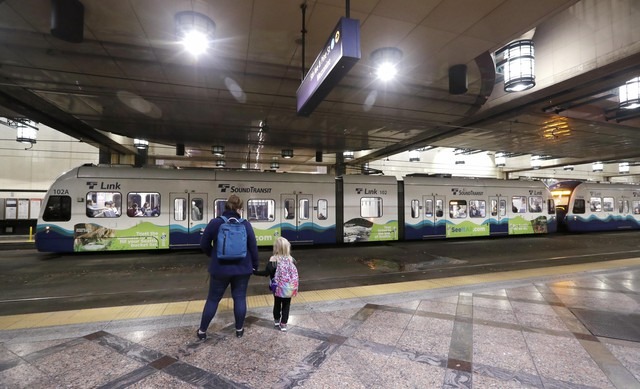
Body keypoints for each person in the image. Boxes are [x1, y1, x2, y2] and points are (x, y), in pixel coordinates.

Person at [197, 194, 259, 340]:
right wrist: (254, 266)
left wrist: (213, 255)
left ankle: (202, 331)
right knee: (239, 298)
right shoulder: (245, 224)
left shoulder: (215, 223)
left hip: (220, 269)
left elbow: (203, 244)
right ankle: (239, 330)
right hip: (242, 269)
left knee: (213, 299)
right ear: (240, 208)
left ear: (225, 206)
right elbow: (253, 248)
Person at [254, 236, 298, 332]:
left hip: (277, 287)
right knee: (286, 305)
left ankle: (277, 320)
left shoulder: (273, 259)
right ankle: (284, 324)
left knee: (277, 303)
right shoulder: (291, 260)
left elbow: (266, 273)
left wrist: (254, 272)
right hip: (289, 288)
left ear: (276, 248)